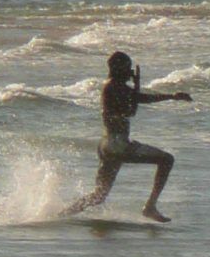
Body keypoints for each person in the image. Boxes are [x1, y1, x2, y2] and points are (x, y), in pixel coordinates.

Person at [64, 51, 190, 221]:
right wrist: (171, 96)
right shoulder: (115, 86)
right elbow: (140, 100)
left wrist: (136, 85)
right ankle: (150, 207)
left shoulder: (113, 86)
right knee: (167, 159)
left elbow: (131, 109)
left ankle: (63, 214)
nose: (129, 72)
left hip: (107, 144)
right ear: (119, 69)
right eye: (127, 68)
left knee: (99, 196)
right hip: (118, 144)